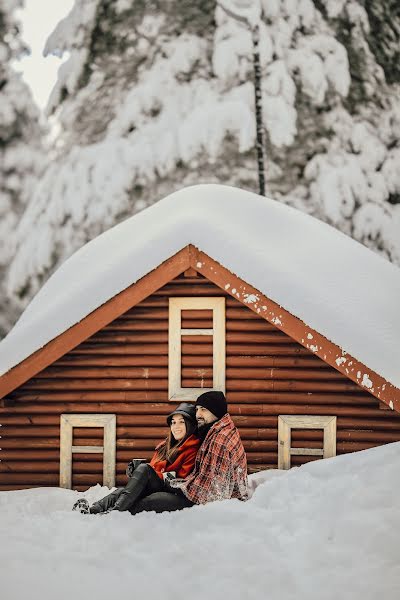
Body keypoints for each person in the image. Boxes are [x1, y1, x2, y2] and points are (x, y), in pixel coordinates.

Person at [128, 390, 248, 514]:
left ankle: (116, 516)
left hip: (210, 504)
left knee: (148, 501)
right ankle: (111, 513)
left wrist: (173, 486)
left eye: (203, 409)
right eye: (197, 409)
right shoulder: (215, 433)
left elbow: (214, 491)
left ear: (216, 411)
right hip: (197, 494)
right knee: (131, 493)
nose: (198, 415)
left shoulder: (220, 439)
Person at [72, 402, 200, 514]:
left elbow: (181, 480)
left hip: (173, 492)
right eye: (173, 423)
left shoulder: (192, 449)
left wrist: (148, 473)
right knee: (123, 491)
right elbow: (156, 468)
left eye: (181, 422)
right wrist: (136, 471)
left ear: (190, 425)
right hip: (160, 485)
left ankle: (116, 513)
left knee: (144, 472)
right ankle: (92, 511)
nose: (176, 427)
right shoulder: (165, 446)